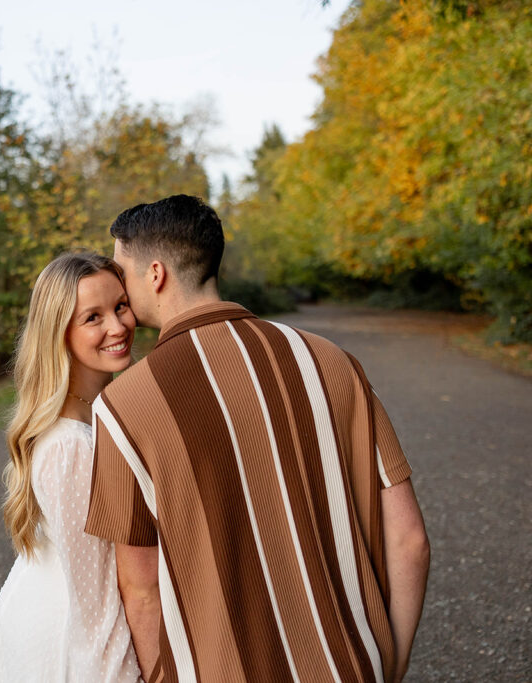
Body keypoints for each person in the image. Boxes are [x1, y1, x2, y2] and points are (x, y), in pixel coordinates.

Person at [84, 195, 431, 683]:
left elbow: (141, 589)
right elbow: (410, 540)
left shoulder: (124, 408)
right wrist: (390, 664)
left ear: (156, 274)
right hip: (351, 666)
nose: (120, 286)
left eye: (123, 271)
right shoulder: (331, 362)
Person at [0, 252, 142, 682]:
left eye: (120, 306)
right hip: (61, 647)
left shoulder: (94, 414)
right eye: (93, 317)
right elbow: (96, 605)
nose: (117, 327)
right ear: (59, 331)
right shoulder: (71, 447)